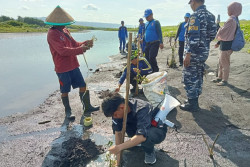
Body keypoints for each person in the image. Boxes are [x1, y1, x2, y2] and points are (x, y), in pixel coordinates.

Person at [45, 6, 99, 120]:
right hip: (62, 67)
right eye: (64, 22)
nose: (66, 24)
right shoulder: (52, 33)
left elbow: (74, 44)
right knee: (65, 90)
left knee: (83, 85)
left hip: (73, 64)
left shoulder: (65, 31)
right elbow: (62, 50)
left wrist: (85, 43)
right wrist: (81, 49)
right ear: (57, 22)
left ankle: (87, 107)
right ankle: (68, 112)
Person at [101, 92, 167, 165]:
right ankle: (135, 141)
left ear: (122, 107)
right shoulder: (117, 112)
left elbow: (141, 136)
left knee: (147, 136)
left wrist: (119, 147)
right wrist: (118, 160)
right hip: (135, 128)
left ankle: (149, 152)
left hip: (155, 129)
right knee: (134, 135)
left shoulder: (142, 108)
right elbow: (118, 133)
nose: (114, 117)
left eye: (115, 115)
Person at [180, 0, 217, 112]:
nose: (190, 5)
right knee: (198, 75)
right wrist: (204, 44)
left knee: (189, 77)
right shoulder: (211, 16)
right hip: (203, 52)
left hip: (193, 54)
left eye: (190, 3)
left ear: (194, 2)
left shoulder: (195, 16)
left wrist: (188, 54)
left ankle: (192, 104)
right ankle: (194, 100)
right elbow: (212, 34)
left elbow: (193, 37)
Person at [212, 2, 242, 86]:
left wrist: (217, 25)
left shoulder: (231, 20)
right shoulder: (235, 19)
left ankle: (224, 80)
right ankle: (220, 77)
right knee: (222, 62)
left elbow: (222, 32)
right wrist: (218, 42)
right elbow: (227, 33)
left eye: (228, 9)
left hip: (226, 45)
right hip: (227, 44)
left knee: (224, 63)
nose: (227, 11)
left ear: (232, 9)